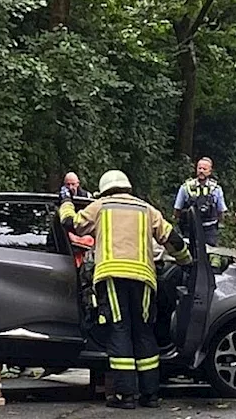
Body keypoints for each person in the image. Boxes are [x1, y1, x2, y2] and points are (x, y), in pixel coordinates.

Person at [59, 170, 192, 410]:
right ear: (127, 187)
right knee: (143, 330)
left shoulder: (100, 206)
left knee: (120, 329)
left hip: (112, 277)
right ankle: (150, 395)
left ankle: (125, 395)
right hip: (143, 278)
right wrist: (187, 263)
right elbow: (173, 238)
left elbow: (72, 224)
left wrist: (66, 203)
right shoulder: (146, 209)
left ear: (105, 188)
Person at [174, 158, 226, 246]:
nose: (201, 171)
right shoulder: (186, 187)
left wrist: (219, 226)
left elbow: (221, 211)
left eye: (204, 169)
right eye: (199, 168)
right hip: (190, 228)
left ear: (210, 171)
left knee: (211, 254)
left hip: (209, 229)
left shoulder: (216, 189)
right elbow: (177, 209)